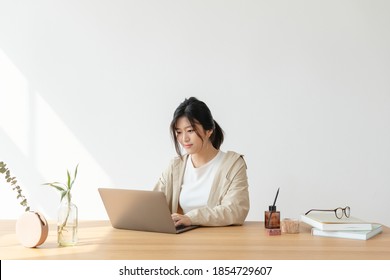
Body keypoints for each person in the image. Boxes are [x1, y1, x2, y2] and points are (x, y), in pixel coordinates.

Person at [153, 97, 250, 227]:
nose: (184, 138)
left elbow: (236, 211)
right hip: (183, 241)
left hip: (218, 241)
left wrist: (191, 218)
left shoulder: (233, 164)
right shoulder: (175, 166)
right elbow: (153, 204)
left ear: (209, 130)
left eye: (190, 131)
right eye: (179, 132)